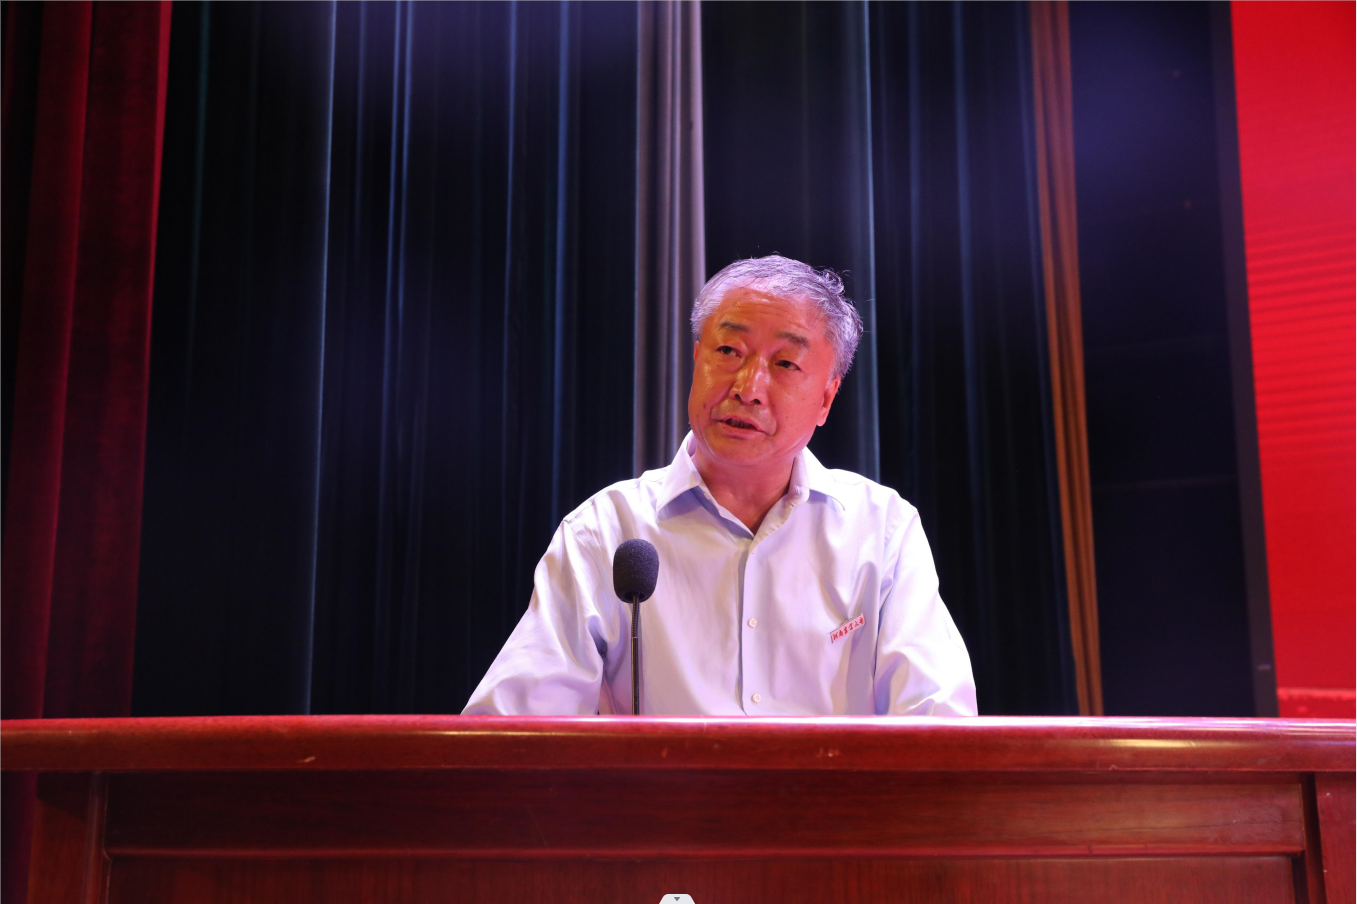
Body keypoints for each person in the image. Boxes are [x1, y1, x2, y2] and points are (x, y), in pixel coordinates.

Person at [463, 255, 977, 716]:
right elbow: (510, 734)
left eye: (785, 363)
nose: (748, 388)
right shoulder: (605, 531)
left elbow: (940, 726)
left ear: (826, 398)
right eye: (729, 350)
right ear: (697, 360)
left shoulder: (881, 531)